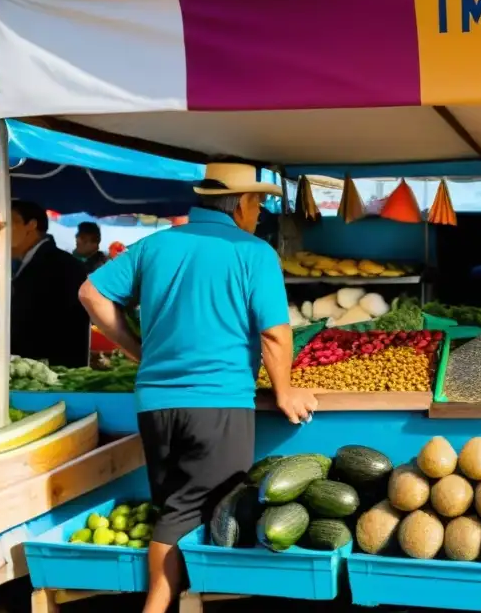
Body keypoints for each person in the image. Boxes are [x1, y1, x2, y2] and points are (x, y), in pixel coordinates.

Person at [78, 163, 319, 613]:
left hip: (155, 404)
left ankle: (176, 601)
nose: (261, 212)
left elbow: (91, 294)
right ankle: (160, 604)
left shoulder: (154, 246)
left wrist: (139, 350)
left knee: (176, 508)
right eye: (259, 203)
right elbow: (275, 334)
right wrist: (284, 390)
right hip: (217, 403)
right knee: (197, 515)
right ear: (241, 203)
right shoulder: (253, 252)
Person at [10, 200, 90, 367]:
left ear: (31, 225)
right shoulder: (27, 262)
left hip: (52, 372)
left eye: (11, 223)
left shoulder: (60, 265)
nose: (3, 230)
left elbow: (55, 325)